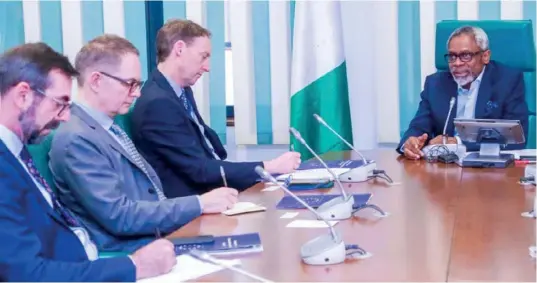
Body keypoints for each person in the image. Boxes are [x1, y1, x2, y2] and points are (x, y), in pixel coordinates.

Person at [0, 42, 176, 281]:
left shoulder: (17, 150)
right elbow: (28, 275)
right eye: (60, 104)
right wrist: (134, 267)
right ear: (23, 95)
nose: (65, 117)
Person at [48, 35, 238, 254]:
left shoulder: (107, 126)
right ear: (96, 81)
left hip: (155, 236)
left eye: (137, 84)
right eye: (130, 84)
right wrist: (199, 204)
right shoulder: (76, 138)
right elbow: (120, 216)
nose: (137, 93)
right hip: (129, 252)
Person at [130, 19, 301, 198]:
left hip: (210, 191)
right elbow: (199, 169)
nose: (208, 67)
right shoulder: (157, 104)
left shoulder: (180, 90)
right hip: (191, 206)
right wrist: (269, 167)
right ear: (179, 49)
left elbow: (207, 157)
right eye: (203, 56)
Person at [397, 26, 529, 159]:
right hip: (444, 169)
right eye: (452, 56)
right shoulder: (435, 84)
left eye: (465, 56)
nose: (457, 63)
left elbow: (517, 139)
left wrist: (457, 143)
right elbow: (418, 126)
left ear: (485, 56)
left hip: (490, 167)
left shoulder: (507, 81)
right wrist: (410, 142)